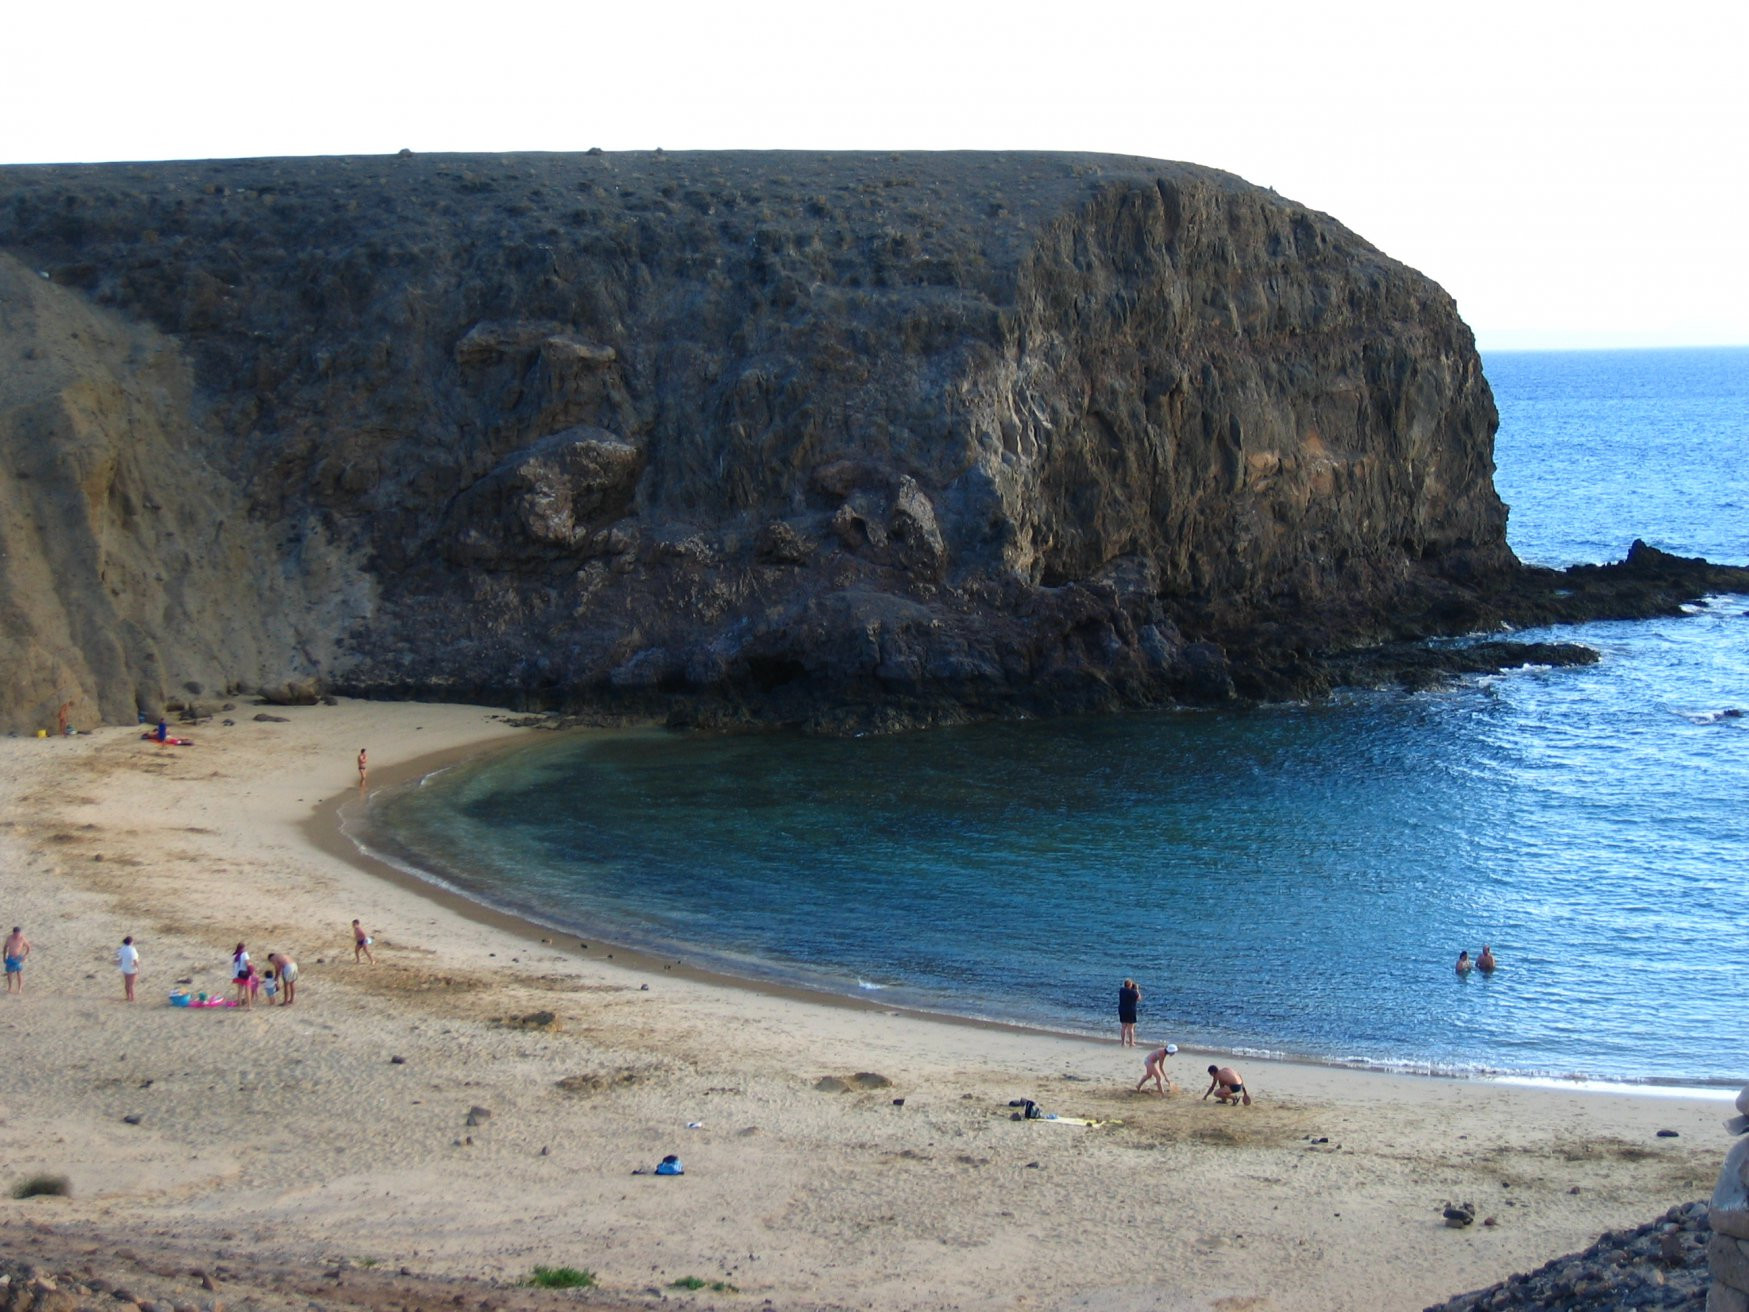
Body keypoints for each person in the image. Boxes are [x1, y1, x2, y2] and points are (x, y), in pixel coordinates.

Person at [5, 927, 31, 995]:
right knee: (9, 973)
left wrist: (25, 955)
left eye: (18, 934)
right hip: (10, 958)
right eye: (16, 934)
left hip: (18, 958)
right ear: (13, 933)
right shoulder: (9, 938)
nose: (17, 935)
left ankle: (19, 989)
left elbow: (28, 947)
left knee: (19, 973)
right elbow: (5, 947)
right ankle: (10, 988)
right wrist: (4, 957)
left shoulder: (22, 938)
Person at [1117, 978, 1141, 1047]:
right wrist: (1137, 989)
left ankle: (1123, 1043)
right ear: (1130, 985)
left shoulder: (1121, 990)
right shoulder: (1133, 992)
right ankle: (1131, 1043)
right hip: (1130, 1010)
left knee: (1123, 1027)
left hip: (1122, 1009)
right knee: (1131, 1028)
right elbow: (1139, 998)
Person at [116, 935, 139, 1002]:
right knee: (131, 984)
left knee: (126, 983)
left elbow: (119, 958)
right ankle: (132, 998)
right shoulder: (132, 950)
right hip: (131, 968)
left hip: (124, 967)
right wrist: (137, 968)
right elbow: (135, 960)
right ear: (131, 942)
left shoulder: (122, 949)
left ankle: (127, 996)